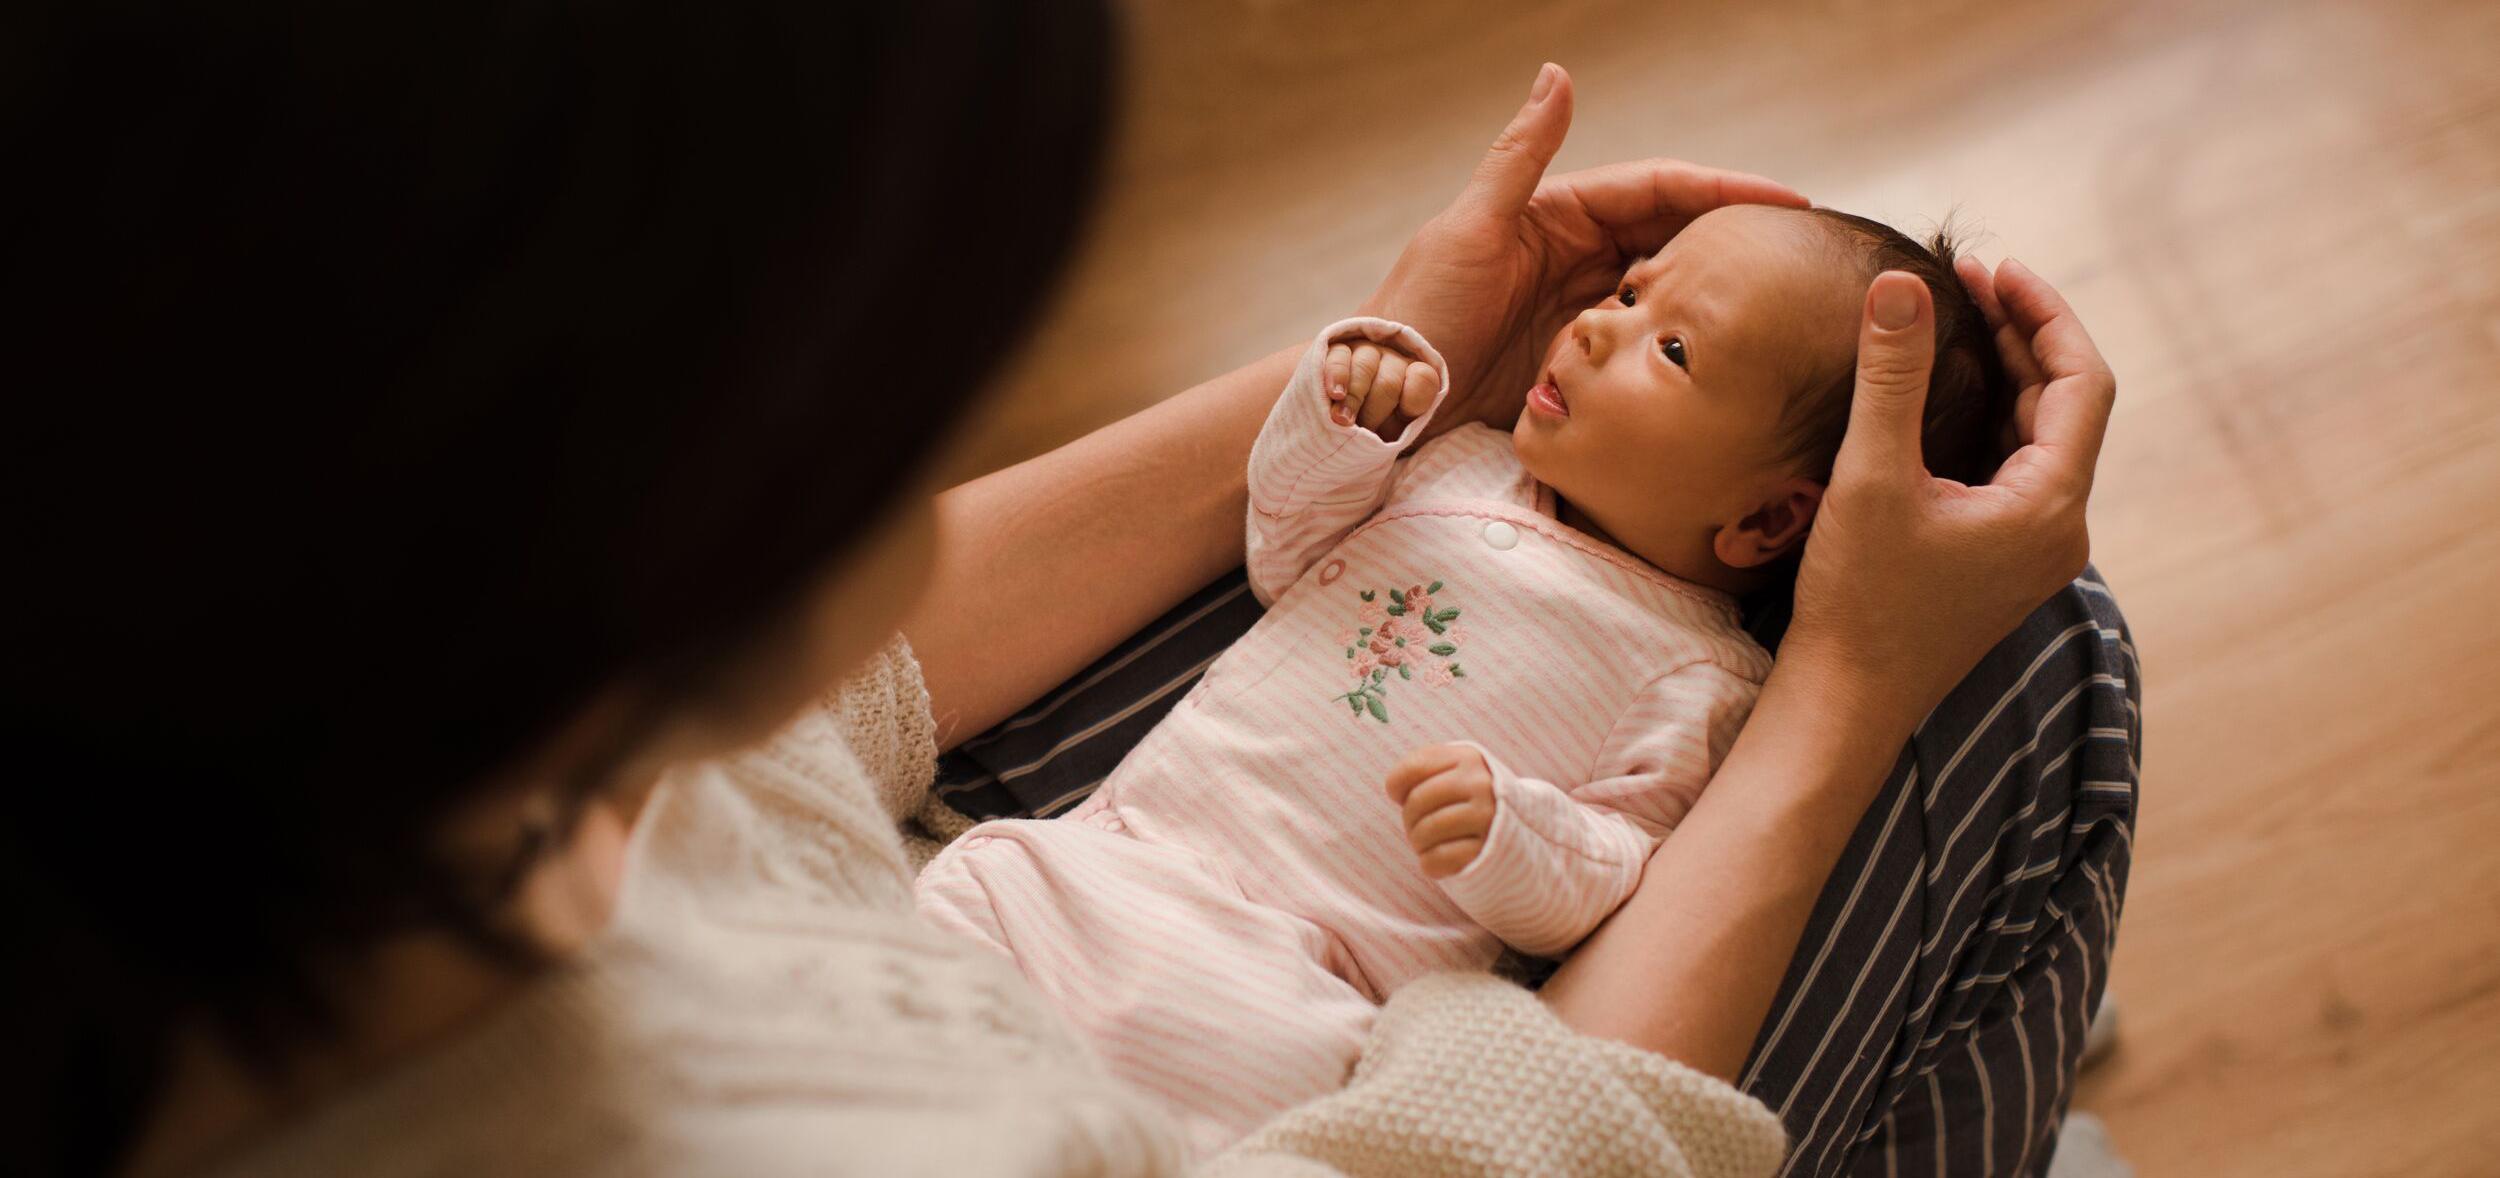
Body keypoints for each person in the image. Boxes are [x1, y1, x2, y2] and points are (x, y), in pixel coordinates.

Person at [2, 2, 2127, 1177]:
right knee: (2036, 674)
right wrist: (1844, 692)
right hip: (1253, 1006)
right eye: (908, 389)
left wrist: (1383, 374)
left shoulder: (387, 795)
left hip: (1092, 872)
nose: (932, 471)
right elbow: (1513, 1144)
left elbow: (804, 736)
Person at [913, 205, 2028, 1155]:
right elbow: (1284, 550)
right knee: (925, 964)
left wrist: (1513, 833)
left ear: (1770, 518)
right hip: (1092, 859)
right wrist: (1343, 420)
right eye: (1632, 292)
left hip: (1286, 978)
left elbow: (1610, 872)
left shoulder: (1699, 671)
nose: (1597, 326)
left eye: (1673, 347)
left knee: (1142, 1117)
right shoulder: (1458, 464)